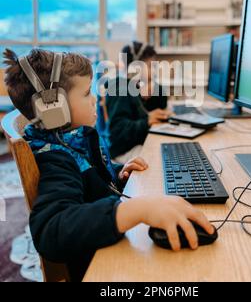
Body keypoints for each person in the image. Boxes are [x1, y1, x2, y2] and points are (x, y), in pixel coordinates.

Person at [3, 48, 214, 282]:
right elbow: (51, 231)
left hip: (110, 248)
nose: (94, 99)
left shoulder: (73, 139)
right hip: (100, 265)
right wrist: (137, 210)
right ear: (52, 107)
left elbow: (89, 176)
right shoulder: (54, 158)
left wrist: (117, 173)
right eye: (85, 94)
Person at [106, 42, 171, 163]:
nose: (155, 71)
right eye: (151, 66)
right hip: (124, 151)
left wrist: (154, 91)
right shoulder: (120, 89)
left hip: (139, 143)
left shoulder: (139, 87)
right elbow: (118, 131)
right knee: (161, 162)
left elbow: (161, 108)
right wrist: (147, 120)